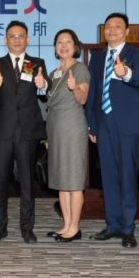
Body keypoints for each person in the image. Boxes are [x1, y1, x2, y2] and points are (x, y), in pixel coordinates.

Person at [86, 12, 139, 248]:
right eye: (108, 26)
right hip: (104, 123)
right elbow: (93, 93)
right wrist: (91, 123)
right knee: (108, 176)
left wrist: (126, 74)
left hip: (128, 124)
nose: (112, 30)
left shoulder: (137, 54)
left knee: (127, 175)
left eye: (117, 26)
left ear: (126, 31)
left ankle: (128, 228)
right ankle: (112, 224)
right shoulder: (97, 57)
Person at [0, 20, 49, 244]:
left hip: (27, 130)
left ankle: (27, 228)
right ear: (5, 40)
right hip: (2, 130)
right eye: (12, 36)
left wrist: (43, 84)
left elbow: (44, 92)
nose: (16, 40)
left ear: (28, 39)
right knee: (0, 182)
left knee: (27, 182)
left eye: (21, 36)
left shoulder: (37, 63)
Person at [46, 29, 89, 243]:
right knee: (62, 179)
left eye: (68, 42)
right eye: (59, 42)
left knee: (73, 178)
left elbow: (82, 99)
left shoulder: (79, 69)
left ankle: (75, 227)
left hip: (72, 126)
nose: (63, 46)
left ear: (75, 46)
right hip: (55, 127)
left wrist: (75, 89)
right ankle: (66, 224)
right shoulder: (54, 72)